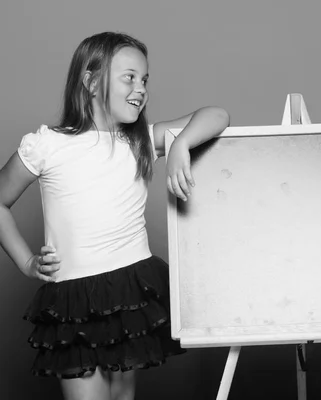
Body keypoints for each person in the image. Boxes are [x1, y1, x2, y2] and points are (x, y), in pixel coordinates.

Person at [0, 32, 229, 400]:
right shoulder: (47, 145)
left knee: (122, 396)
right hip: (73, 299)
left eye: (145, 79)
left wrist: (179, 143)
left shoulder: (138, 141)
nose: (141, 88)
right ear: (91, 81)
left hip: (129, 289)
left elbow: (217, 115)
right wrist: (27, 262)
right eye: (129, 76)